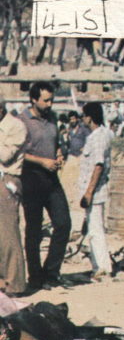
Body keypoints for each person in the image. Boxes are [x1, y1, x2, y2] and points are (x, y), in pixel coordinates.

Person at [20, 81, 71, 291]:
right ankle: (36, 276)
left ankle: (52, 272)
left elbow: (57, 144)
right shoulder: (22, 121)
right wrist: (41, 161)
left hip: (51, 178)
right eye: (46, 100)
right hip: (31, 178)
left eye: (52, 100)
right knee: (34, 230)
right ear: (34, 99)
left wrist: (59, 154)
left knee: (63, 223)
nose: (50, 104)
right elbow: (18, 153)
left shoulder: (52, 119)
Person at [78, 102, 114, 280]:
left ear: (89, 117)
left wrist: (89, 192)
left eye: (83, 116)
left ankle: (102, 267)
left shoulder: (98, 137)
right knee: (94, 229)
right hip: (96, 190)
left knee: (95, 231)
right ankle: (100, 266)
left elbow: (98, 165)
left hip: (95, 191)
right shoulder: (104, 134)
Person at [0, 95, 28, 295]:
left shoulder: (16, 127)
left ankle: (15, 283)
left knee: (8, 233)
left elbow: (5, 155)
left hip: (7, 181)